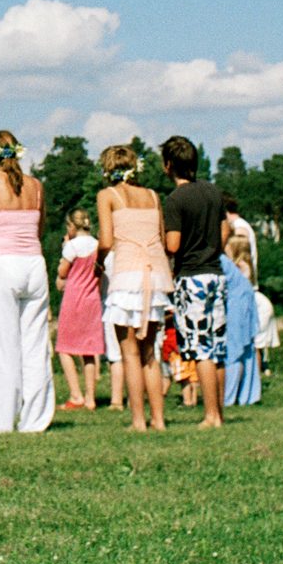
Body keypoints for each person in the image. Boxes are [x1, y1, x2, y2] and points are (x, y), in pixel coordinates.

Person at [0, 130, 52, 434]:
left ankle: (0, 421)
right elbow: (40, 228)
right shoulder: (36, 186)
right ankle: (35, 420)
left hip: (4, 263)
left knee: (3, 345)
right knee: (35, 344)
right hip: (34, 263)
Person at [95, 143, 171, 433]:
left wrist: (98, 263)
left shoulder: (108, 196)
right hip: (155, 275)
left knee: (129, 353)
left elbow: (105, 240)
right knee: (150, 352)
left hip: (127, 275)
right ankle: (159, 420)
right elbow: (162, 238)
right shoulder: (152, 196)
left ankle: (138, 420)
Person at [161, 136, 227, 429]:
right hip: (216, 272)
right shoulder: (213, 192)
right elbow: (225, 229)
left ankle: (210, 415)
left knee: (200, 348)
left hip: (191, 275)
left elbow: (173, 245)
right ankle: (220, 412)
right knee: (218, 347)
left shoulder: (176, 200)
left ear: (169, 165)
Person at [55, 209, 105, 410]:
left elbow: (62, 271)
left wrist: (65, 248)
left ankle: (76, 395)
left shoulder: (72, 246)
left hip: (74, 298)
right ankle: (90, 397)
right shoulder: (97, 245)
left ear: (72, 226)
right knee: (89, 350)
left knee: (64, 348)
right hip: (93, 299)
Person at [221, 235, 262, 407]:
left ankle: (229, 397)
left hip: (237, 305)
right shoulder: (244, 267)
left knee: (234, 349)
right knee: (246, 349)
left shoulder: (231, 265)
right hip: (247, 304)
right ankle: (247, 395)